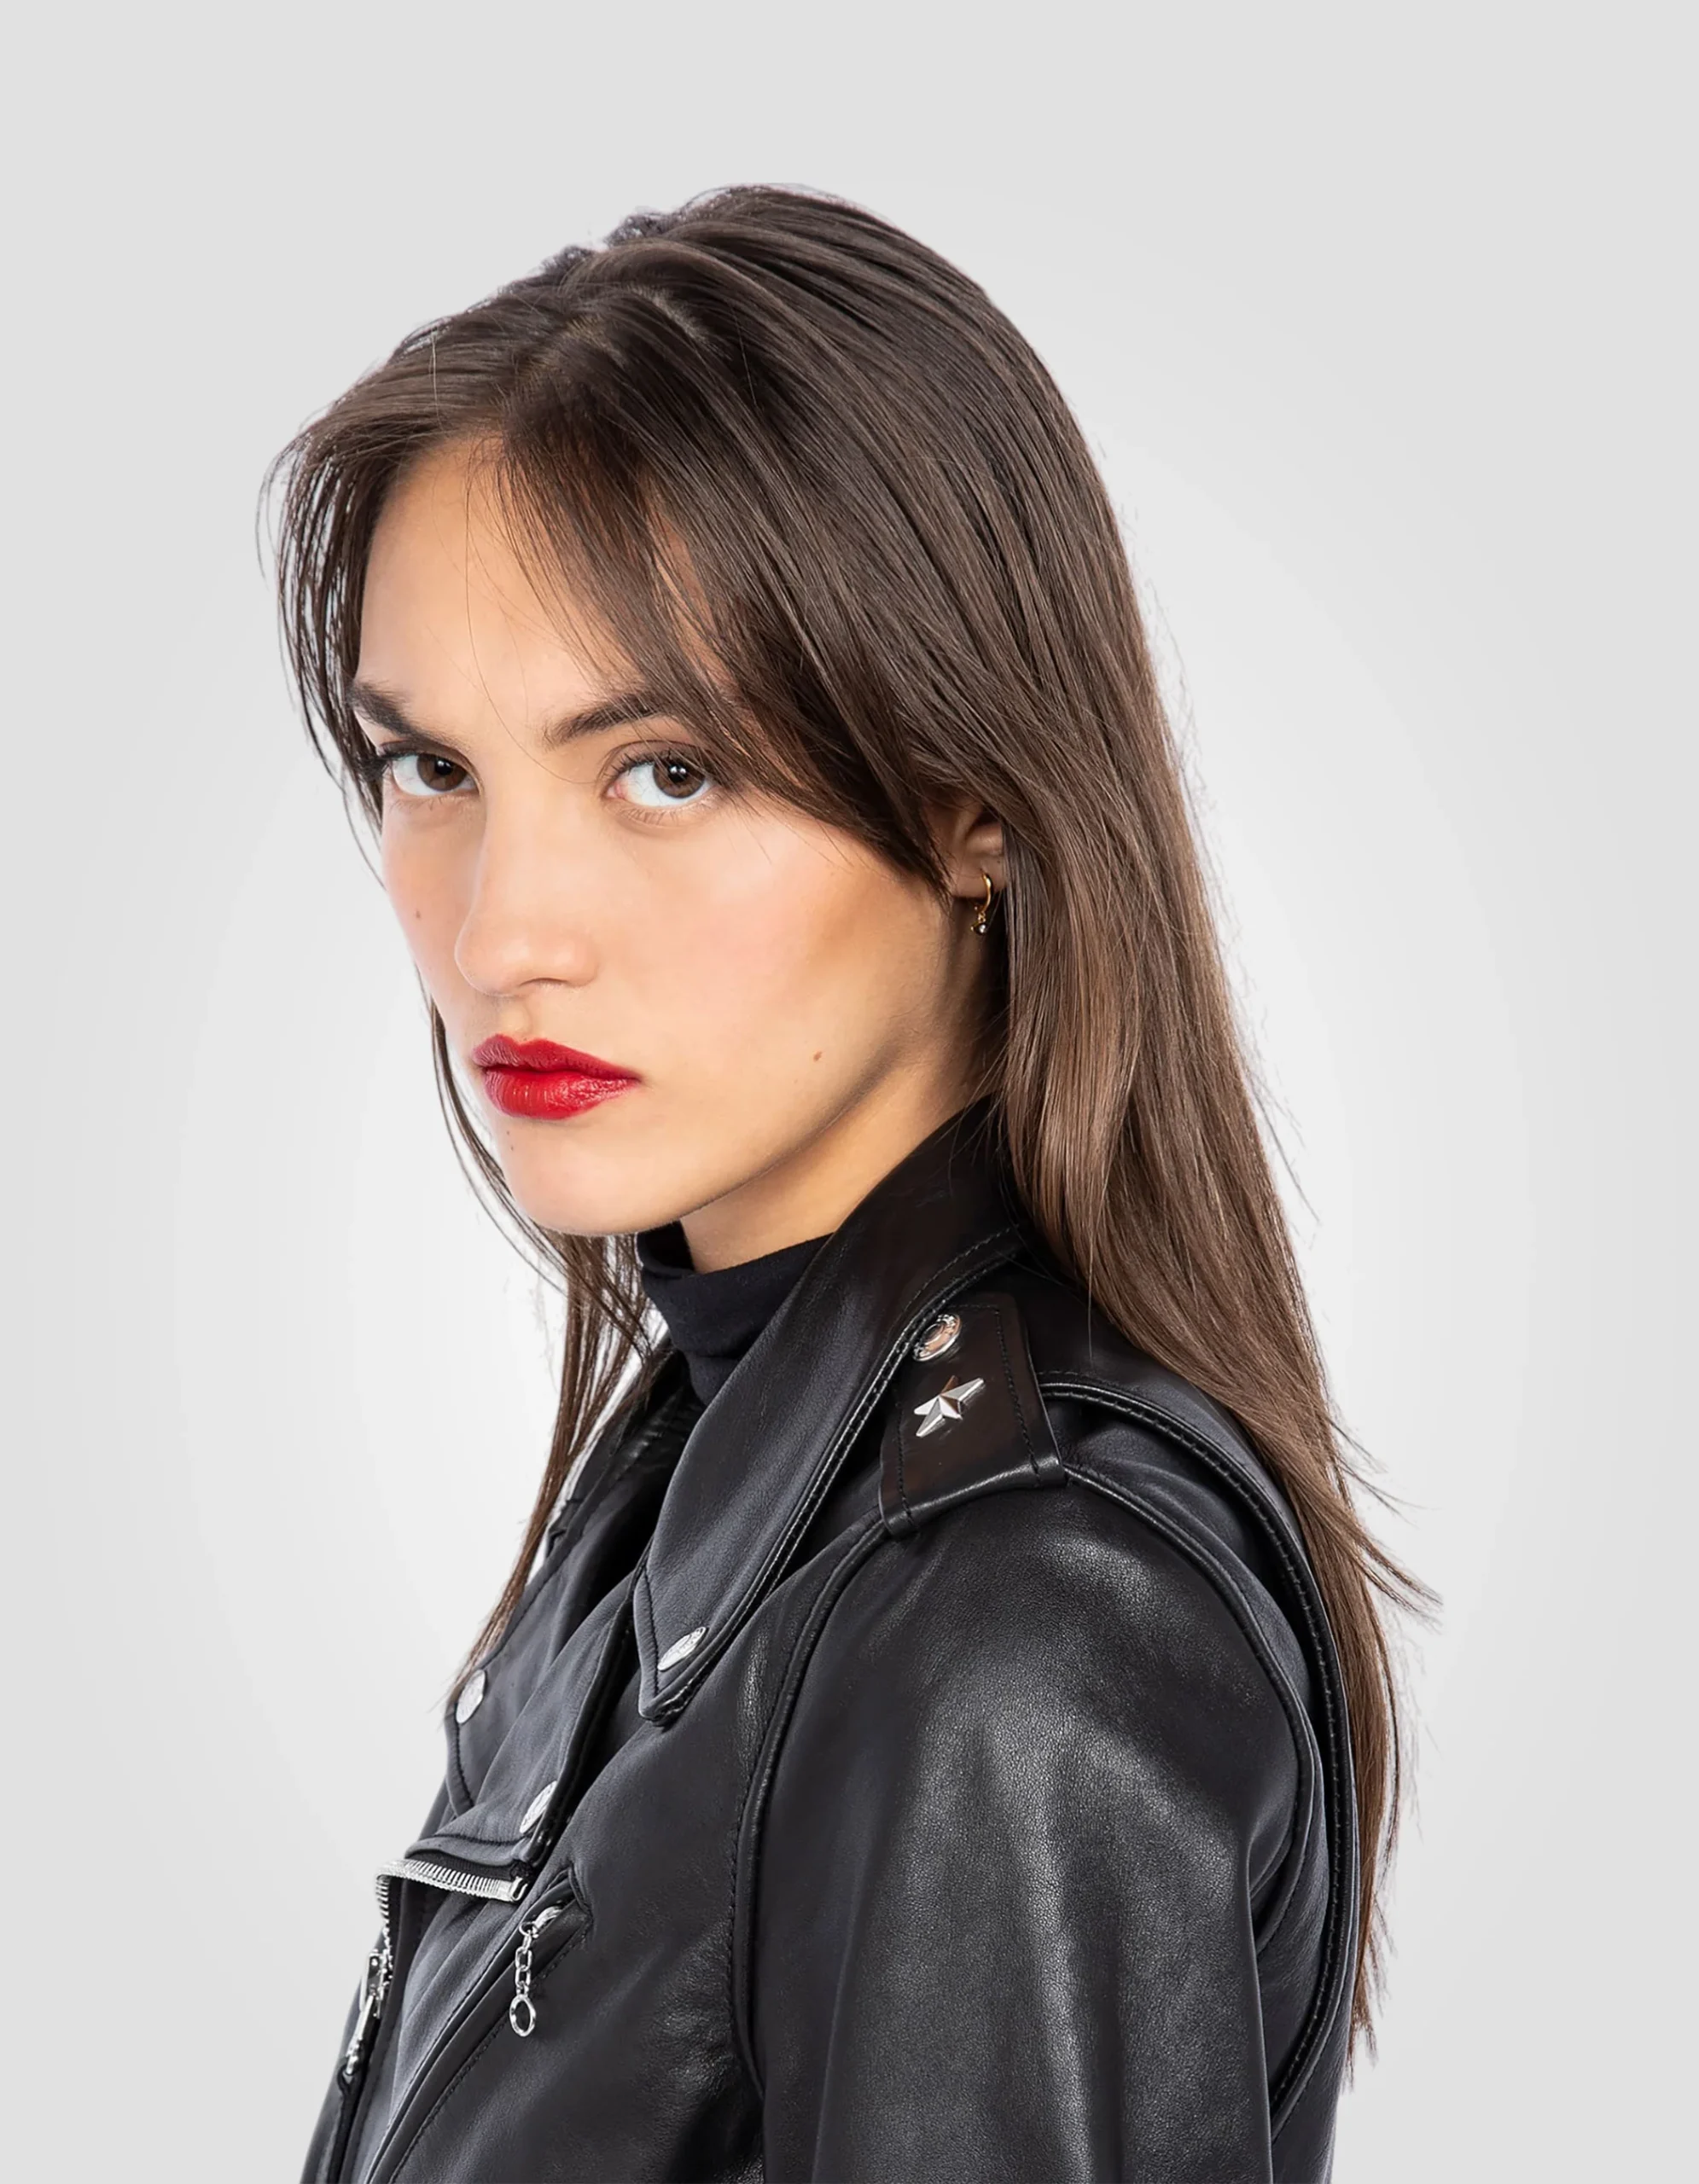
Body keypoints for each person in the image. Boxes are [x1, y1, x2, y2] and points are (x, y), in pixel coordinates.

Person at [271, 185, 1418, 2184]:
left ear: (972, 805)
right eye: (432, 767)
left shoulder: (1010, 1616)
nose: (503, 932)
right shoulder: (711, 1487)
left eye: (665, 769)